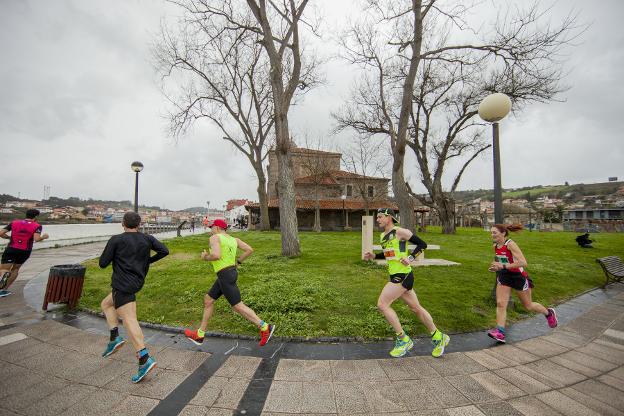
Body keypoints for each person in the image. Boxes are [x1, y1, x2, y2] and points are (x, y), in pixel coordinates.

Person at [363, 208, 450, 358]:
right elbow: (389, 254)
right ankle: (438, 336)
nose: (377, 220)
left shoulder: (400, 231)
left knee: (382, 305)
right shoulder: (383, 236)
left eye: (380, 217)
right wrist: (374, 256)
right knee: (416, 308)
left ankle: (403, 340)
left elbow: (422, 244)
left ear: (389, 217)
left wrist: (410, 258)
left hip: (402, 275)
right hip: (397, 275)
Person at [99, 212, 169, 383]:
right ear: (139, 224)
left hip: (122, 284)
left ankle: (144, 358)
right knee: (106, 304)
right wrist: (147, 261)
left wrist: (117, 256)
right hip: (136, 281)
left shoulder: (116, 239)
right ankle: (114, 337)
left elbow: (102, 263)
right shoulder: (147, 238)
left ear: (123, 223)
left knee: (129, 319)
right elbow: (164, 251)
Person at [184, 218, 275, 347]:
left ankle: (265, 327)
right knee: (208, 300)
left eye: (211, 227)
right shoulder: (234, 240)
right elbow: (249, 249)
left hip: (225, 275)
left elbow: (216, 255)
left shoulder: (215, 238)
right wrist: (238, 262)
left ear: (217, 228)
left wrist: (205, 257)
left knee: (237, 306)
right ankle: (200, 334)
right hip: (229, 273)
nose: (210, 230)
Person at [487, 224, 558, 343]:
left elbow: (523, 262)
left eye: (494, 232)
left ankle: (548, 313)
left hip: (518, 277)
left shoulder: (510, 244)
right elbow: (501, 260)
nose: (492, 235)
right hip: (504, 275)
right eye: (491, 233)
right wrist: (496, 267)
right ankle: (500, 332)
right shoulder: (495, 245)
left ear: (503, 233)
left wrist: (503, 266)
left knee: (528, 306)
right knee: (500, 304)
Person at [0, 209, 49, 297]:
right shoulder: (37, 226)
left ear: (26, 215)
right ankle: (3, 290)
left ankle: (3, 277)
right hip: (24, 251)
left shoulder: (14, 223)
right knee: (15, 269)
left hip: (12, 248)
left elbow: (1, 233)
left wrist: (8, 238)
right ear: (36, 216)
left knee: (4, 269)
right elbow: (37, 239)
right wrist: (44, 237)